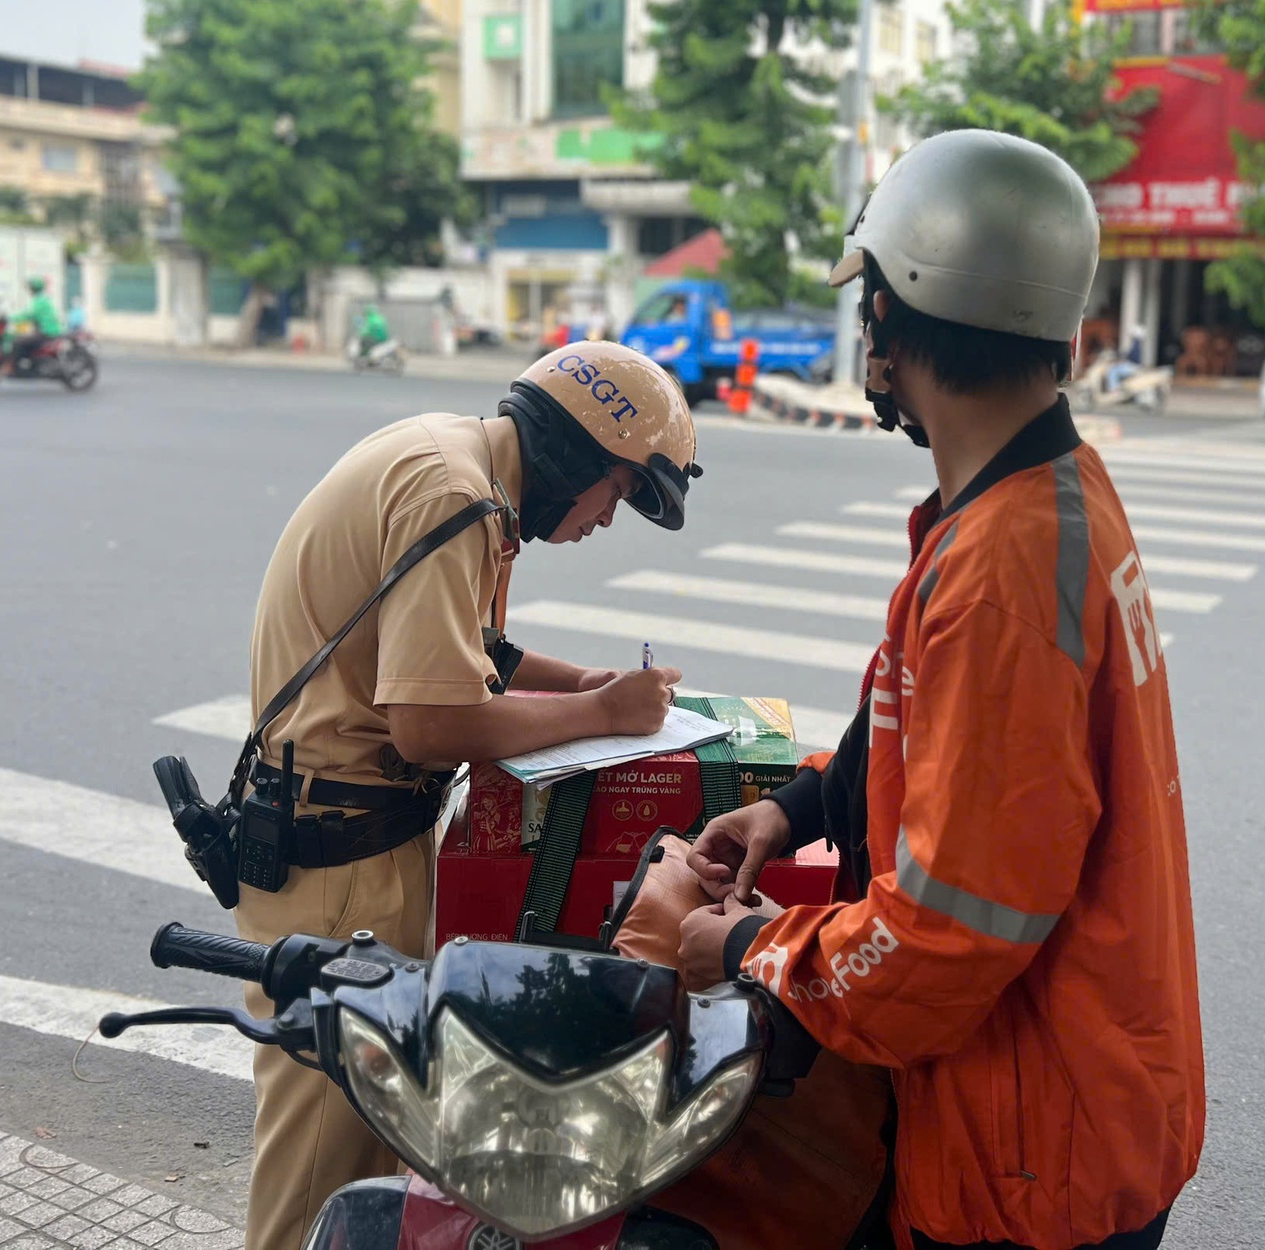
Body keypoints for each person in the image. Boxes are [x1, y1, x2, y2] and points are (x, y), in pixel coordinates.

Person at [679, 129, 1204, 1250]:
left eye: (867, 303)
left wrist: (742, 949)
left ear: (893, 322)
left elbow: (947, 934)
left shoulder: (1000, 571)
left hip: (1029, 1148)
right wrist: (798, 805)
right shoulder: (1033, 497)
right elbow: (933, 734)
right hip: (1057, 1091)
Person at [237, 339, 700, 1250]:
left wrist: (584, 687)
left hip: (353, 837)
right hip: (343, 862)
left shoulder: (458, 460)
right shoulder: (455, 496)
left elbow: (474, 654)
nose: (609, 517)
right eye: (615, 489)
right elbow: (431, 723)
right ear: (571, 453)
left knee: (367, 1136)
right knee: (322, 1169)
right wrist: (601, 708)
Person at [8, 276, 61, 374]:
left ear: (34, 289)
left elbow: (30, 315)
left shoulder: (39, 301)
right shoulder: (42, 299)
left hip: (46, 331)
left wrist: (12, 318)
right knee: (23, 337)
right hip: (45, 330)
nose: (29, 290)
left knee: (17, 341)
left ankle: (18, 365)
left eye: (30, 288)